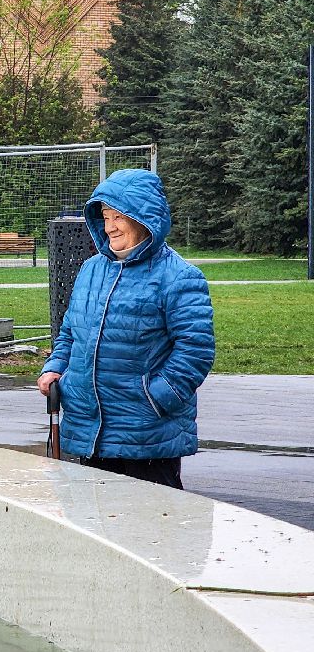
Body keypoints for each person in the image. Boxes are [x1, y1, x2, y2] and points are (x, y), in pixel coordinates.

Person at [37, 169, 214, 488]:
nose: (110, 226)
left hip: (146, 435)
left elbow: (195, 351)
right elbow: (70, 333)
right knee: (91, 515)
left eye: (119, 216)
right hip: (88, 428)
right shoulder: (91, 270)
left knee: (152, 519)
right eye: (105, 216)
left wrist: (155, 398)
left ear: (144, 218)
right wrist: (55, 368)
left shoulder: (179, 277)